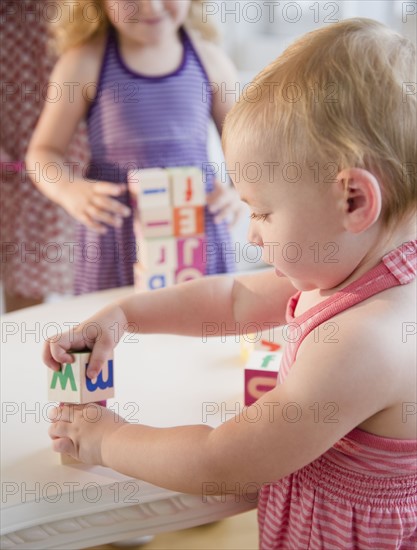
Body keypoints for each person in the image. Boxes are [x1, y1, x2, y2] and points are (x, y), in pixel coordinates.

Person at [45, 18, 416, 548]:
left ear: (353, 200)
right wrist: (127, 315)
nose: (252, 234)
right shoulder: (354, 268)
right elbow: (235, 299)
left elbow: (223, 461)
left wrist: (108, 439)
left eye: (262, 212)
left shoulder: (367, 339)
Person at [26, 0, 242, 295]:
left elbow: (245, 146)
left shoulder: (211, 61)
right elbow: (42, 153)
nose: (151, 7)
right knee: (113, 330)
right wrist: (69, 190)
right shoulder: (83, 62)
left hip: (195, 231)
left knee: (204, 328)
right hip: (116, 238)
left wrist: (238, 192)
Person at [0, 0, 88, 312]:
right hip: (12, 168)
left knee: (86, 280)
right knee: (22, 290)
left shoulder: (78, 11)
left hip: (75, 164)